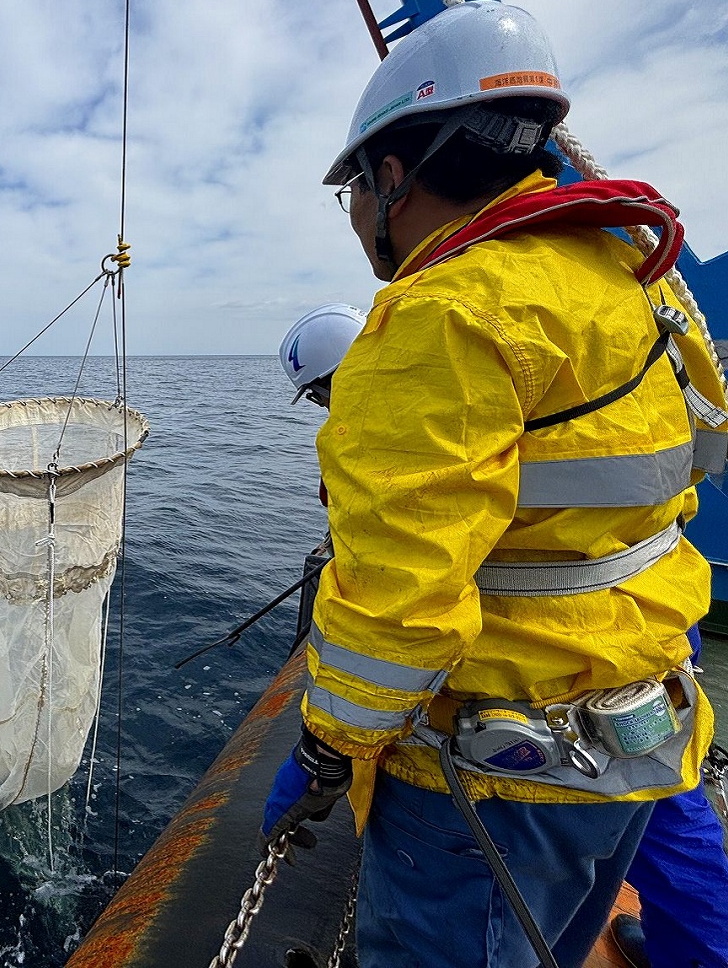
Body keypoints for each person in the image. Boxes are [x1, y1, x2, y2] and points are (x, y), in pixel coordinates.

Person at [261, 0, 728, 968]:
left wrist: (321, 750)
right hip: (636, 735)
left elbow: (400, 612)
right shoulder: (617, 283)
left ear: (393, 177)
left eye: (351, 191)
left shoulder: (440, 315)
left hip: (497, 779)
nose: (354, 218)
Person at [279, 309, 728, 968]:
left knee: (654, 806)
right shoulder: (603, 331)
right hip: (644, 616)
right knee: (665, 795)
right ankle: (699, 951)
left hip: (540, 671)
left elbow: (412, 599)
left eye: (323, 393)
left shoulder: (421, 396)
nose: (326, 406)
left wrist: (324, 749)